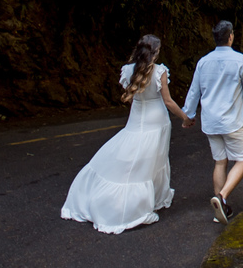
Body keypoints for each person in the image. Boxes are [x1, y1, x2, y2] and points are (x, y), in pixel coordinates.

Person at [61, 34, 192, 233]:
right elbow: (168, 101)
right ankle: (142, 203)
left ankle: (130, 199)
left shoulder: (128, 70)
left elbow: (132, 99)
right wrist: (185, 117)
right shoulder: (159, 71)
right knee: (153, 160)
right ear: (155, 52)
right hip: (157, 121)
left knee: (132, 155)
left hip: (136, 118)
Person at [181, 20, 243, 225]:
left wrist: (188, 115)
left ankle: (221, 209)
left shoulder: (203, 62)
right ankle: (222, 197)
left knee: (220, 161)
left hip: (211, 122)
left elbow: (194, 91)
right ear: (231, 37)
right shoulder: (240, 60)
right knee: (242, 159)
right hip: (233, 120)